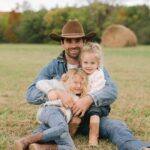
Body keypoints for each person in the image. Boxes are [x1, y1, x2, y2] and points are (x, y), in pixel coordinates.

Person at [25, 20, 150, 150]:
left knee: (116, 127)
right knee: (41, 132)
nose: (73, 45)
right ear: (62, 43)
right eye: (69, 41)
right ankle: (41, 146)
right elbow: (31, 93)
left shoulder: (93, 64)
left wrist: (89, 98)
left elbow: (112, 90)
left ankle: (138, 147)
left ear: (83, 42)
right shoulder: (53, 66)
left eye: (77, 40)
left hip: (90, 119)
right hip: (62, 117)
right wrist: (59, 94)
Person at [14, 68, 88, 150]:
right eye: (75, 82)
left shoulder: (77, 99)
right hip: (51, 111)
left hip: (57, 124)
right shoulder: (59, 85)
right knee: (62, 127)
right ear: (67, 80)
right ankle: (26, 141)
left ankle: (38, 147)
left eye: (82, 84)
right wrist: (51, 90)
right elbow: (40, 83)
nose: (79, 86)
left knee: (70, 147)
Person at [79, 42, 110, 147]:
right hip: (83, 101)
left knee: (94, 115)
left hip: (97, 104)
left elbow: (95, 92)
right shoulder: (80, 72)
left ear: (98, 64)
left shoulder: (98, 75)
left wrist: (84, 96)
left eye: (92, 63)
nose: (88, 66)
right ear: (81, 62)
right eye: (86, 62)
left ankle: (93, 137)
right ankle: (70, 133)